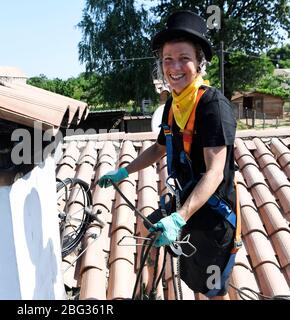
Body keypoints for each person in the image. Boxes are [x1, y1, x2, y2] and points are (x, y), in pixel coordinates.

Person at [98, 10, 238, 299]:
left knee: (210, 290)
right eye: (167, 60)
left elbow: (214, 171)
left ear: (199, 63)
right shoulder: (175, 106)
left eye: (183, 58)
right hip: (185, 206)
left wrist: (179, 218)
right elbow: (160, 147)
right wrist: (125, 171)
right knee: (150, 236)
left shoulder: (212, 105)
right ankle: (149, 293)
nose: (174, 67)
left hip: (211, 216)